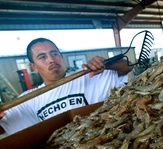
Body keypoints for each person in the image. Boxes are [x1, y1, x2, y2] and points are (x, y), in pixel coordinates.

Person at [0, 37, 132, 136]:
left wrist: (105, 64)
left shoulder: (89, 75)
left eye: (54, 54)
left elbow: (127, 66)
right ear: (33, 66)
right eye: (42, 57)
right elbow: (5, 127)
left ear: (61, 57)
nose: (51, 59)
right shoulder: (27, 100)